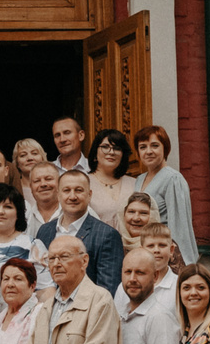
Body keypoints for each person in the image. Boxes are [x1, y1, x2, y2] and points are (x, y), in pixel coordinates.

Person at [42, 167, 124, 297]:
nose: (72, 196)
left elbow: (107, 291)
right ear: (58, 195)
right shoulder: (44, 231)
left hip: (87, 308)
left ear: (89, 195)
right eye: (66, 190)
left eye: (79, 190)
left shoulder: (107, 235)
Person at [131, 125, 197, 265]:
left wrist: (179, 262)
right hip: (145, 253)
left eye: (154, 146)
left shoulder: (172, 179)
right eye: (143, 147)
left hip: (164, 255)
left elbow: (180, 226)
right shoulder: (140, 179)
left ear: (165, 148)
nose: (149, 151)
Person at [86, 127, 138, 224]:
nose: (111, 152)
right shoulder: (84, 183)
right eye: (105, 147)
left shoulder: (134, 183)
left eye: (117, 148)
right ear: (95, 152)